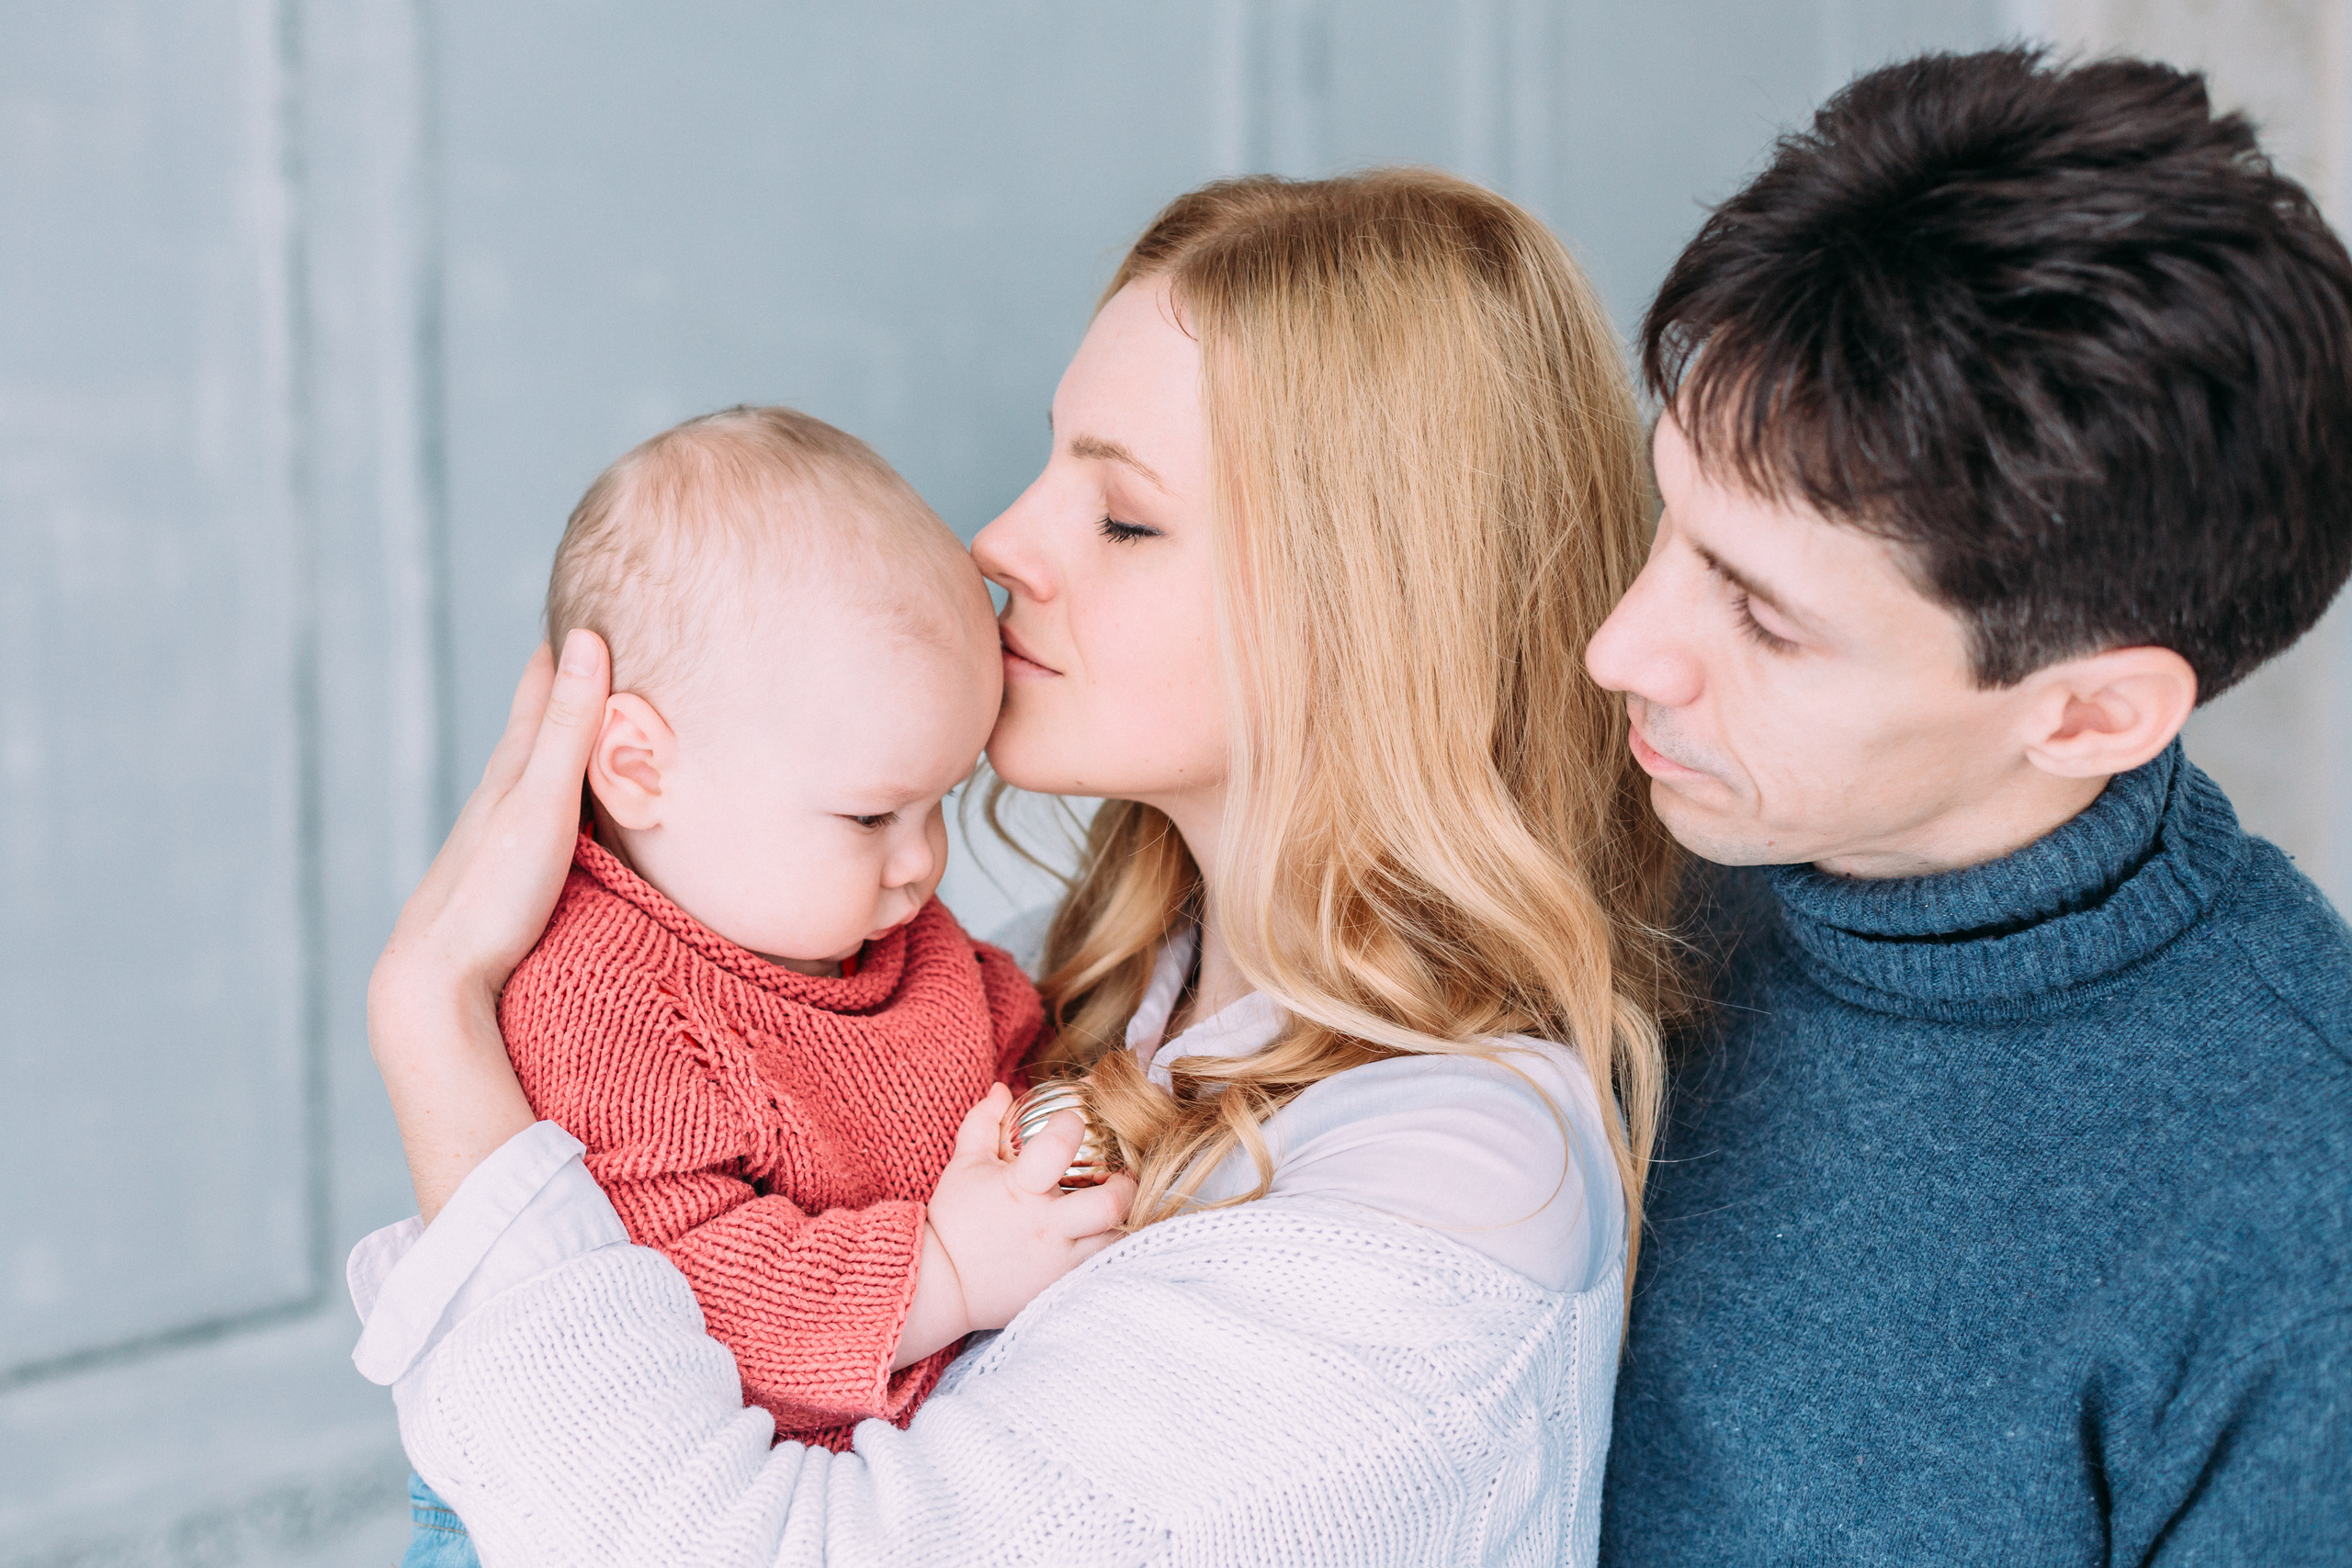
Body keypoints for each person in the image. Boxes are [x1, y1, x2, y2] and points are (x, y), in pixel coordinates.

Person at [353, 168, 1679, 1566]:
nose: (996, 539)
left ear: (1366, 619)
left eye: (1122, 517)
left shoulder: (1444, 1205)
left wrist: (435, 1018)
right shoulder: (1086, 966)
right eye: (1055, 460)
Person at [1593, 49, 2352, 1563]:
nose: (1618, 645)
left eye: (1767, 615)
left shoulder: (2293, 1222)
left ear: (2087, 712)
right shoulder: (1626, 809)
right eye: (1671, 518)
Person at [373, 405, 1127, 1567]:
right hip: (556, 1508)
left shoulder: (869, 918)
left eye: (940, 803)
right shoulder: (606, 1000)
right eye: (874, 814)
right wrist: (947, 1268)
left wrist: (1058, 1118)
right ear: (638, 766)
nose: (923, 861)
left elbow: (1002, 1039)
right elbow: (680, 1289)